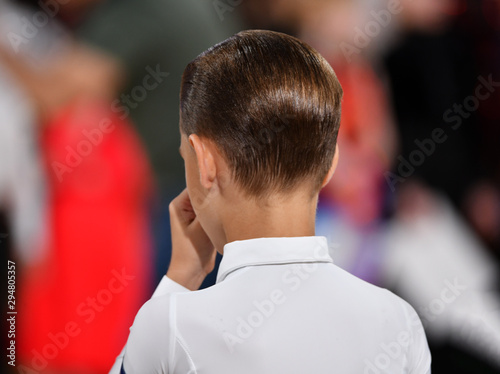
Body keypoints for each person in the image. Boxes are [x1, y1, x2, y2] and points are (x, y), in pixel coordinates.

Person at [110, 30, 431, 374]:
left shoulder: (170, 324)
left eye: (186, 158)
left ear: (205, 163)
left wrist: (179, 278)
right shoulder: (399, 322)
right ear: (329, 167)